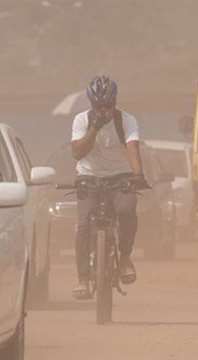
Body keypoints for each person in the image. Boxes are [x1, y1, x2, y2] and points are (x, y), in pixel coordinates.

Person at [71, 76, 147, 299]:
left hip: (119, 177)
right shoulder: (81, 121)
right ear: (91, 104)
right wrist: (94, 128)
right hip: (88, 177)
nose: (104, 110)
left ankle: (124, 259)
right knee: (83, 224)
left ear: (115, 102)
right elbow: (77, 153)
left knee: (126, 210)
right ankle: (83, 279)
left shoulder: (126, 120)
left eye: (108, 105)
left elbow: (132, 149)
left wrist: (138, 176)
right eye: (98, 106)